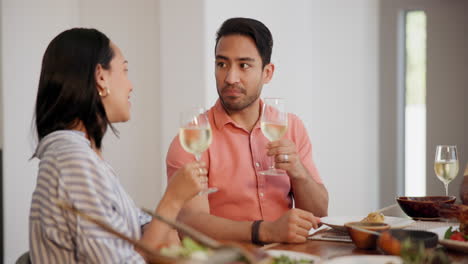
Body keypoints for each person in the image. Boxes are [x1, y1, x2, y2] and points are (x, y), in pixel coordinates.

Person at [29, 28, 208, 263]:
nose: (131, 85)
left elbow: (136, 226)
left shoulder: (82, 156)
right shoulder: (73, 162)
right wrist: (173, 199)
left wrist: (164, 226)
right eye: (124, 70)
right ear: (101, 77)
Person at [166, 17, 328, 245]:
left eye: (244, 65)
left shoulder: (292, 127)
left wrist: (299, 173)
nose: (230, 78)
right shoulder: (192, 138)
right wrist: (267, 231)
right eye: (222, 64)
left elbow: (319, 211)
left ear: (267, 73)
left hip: (288, 257)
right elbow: (190, 224)